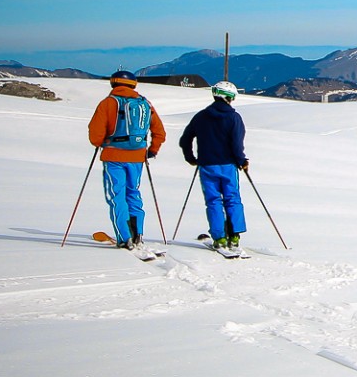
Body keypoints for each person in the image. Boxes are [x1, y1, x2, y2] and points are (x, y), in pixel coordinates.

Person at [86, 70, 166, 258]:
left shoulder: (107, 103)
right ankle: (137, 234)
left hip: (113, 157)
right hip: (137, 157)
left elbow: (95, 135)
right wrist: (152, 150)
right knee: (133, 193)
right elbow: (159, 131)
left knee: (116, 195)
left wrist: (103, 143)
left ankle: (124, 237)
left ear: (114, 83)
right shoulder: (145, 104)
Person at [180, 82, 250, 257]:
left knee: (213, 201)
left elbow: (185, 139)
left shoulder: (201, 116)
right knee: (232, 199)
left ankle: (219, 238)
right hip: (228, 165)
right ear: (230, 97)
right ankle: (234, 236)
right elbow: (236, 144)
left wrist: (191, 158)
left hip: (207, 165)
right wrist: (242, 161)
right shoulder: (234, 118)